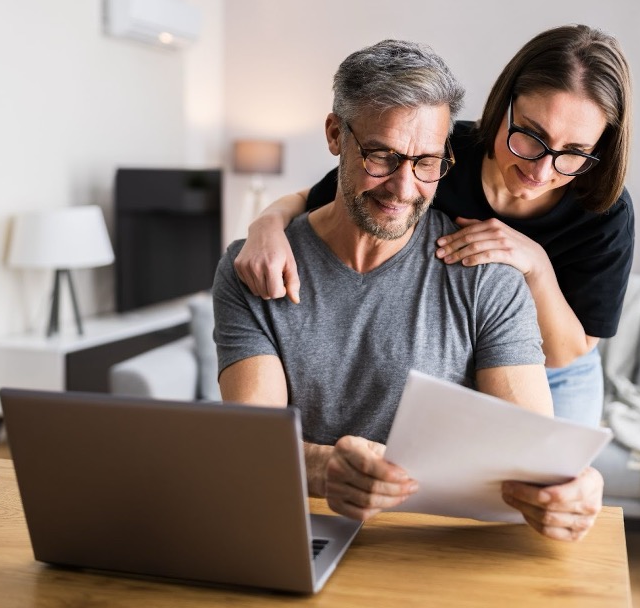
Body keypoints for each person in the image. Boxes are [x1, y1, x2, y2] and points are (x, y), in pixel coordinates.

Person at [214, 39, 603, 542]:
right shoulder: (257, 268)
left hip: (433, 549)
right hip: (299, 533)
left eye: (427, 162)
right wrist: (321, 468)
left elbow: (532, 454)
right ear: (335, 135)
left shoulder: (487, 274)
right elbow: (250, 443)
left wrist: (578, 485)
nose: (403, 188)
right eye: (382, 156)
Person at [233, 25, 635, 428]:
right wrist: (266, 225)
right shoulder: (434, 151)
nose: (541, 169)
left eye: (575, 152)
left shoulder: (604, 210)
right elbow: (319, 198)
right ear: (503, 106)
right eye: (530, 136)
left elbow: (569, 351)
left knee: (552, 481)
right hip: (475, 350)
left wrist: (535, 264)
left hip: (558, 371)